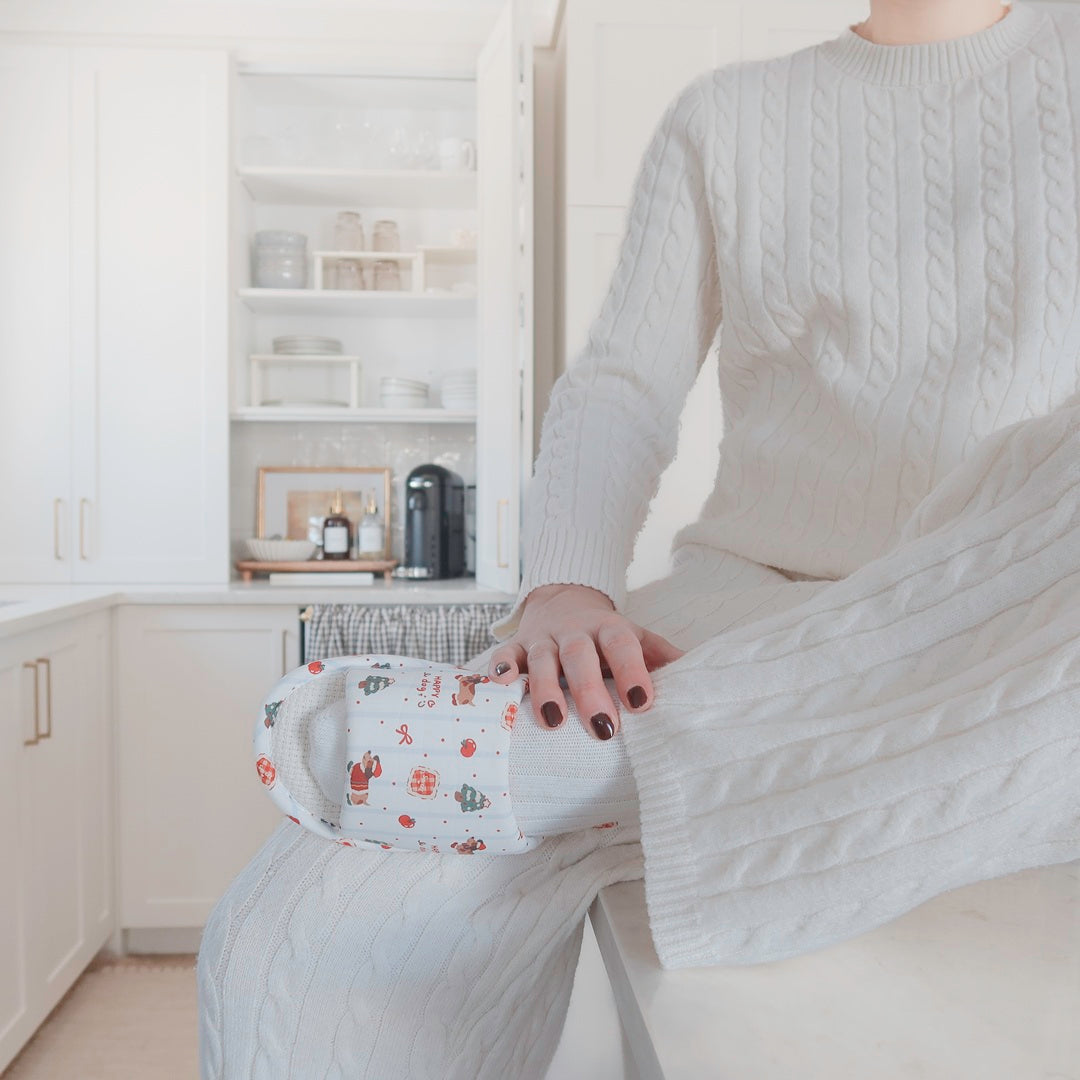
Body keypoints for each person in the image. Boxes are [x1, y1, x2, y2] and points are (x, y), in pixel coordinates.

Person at [196, 2, 1080, 1076]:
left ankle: (575, 771)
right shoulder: (730, 118)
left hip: (1012, 624)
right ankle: (614, 757)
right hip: (746, 606)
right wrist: (564, 590)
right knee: (286, 936)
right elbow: (623, 381)